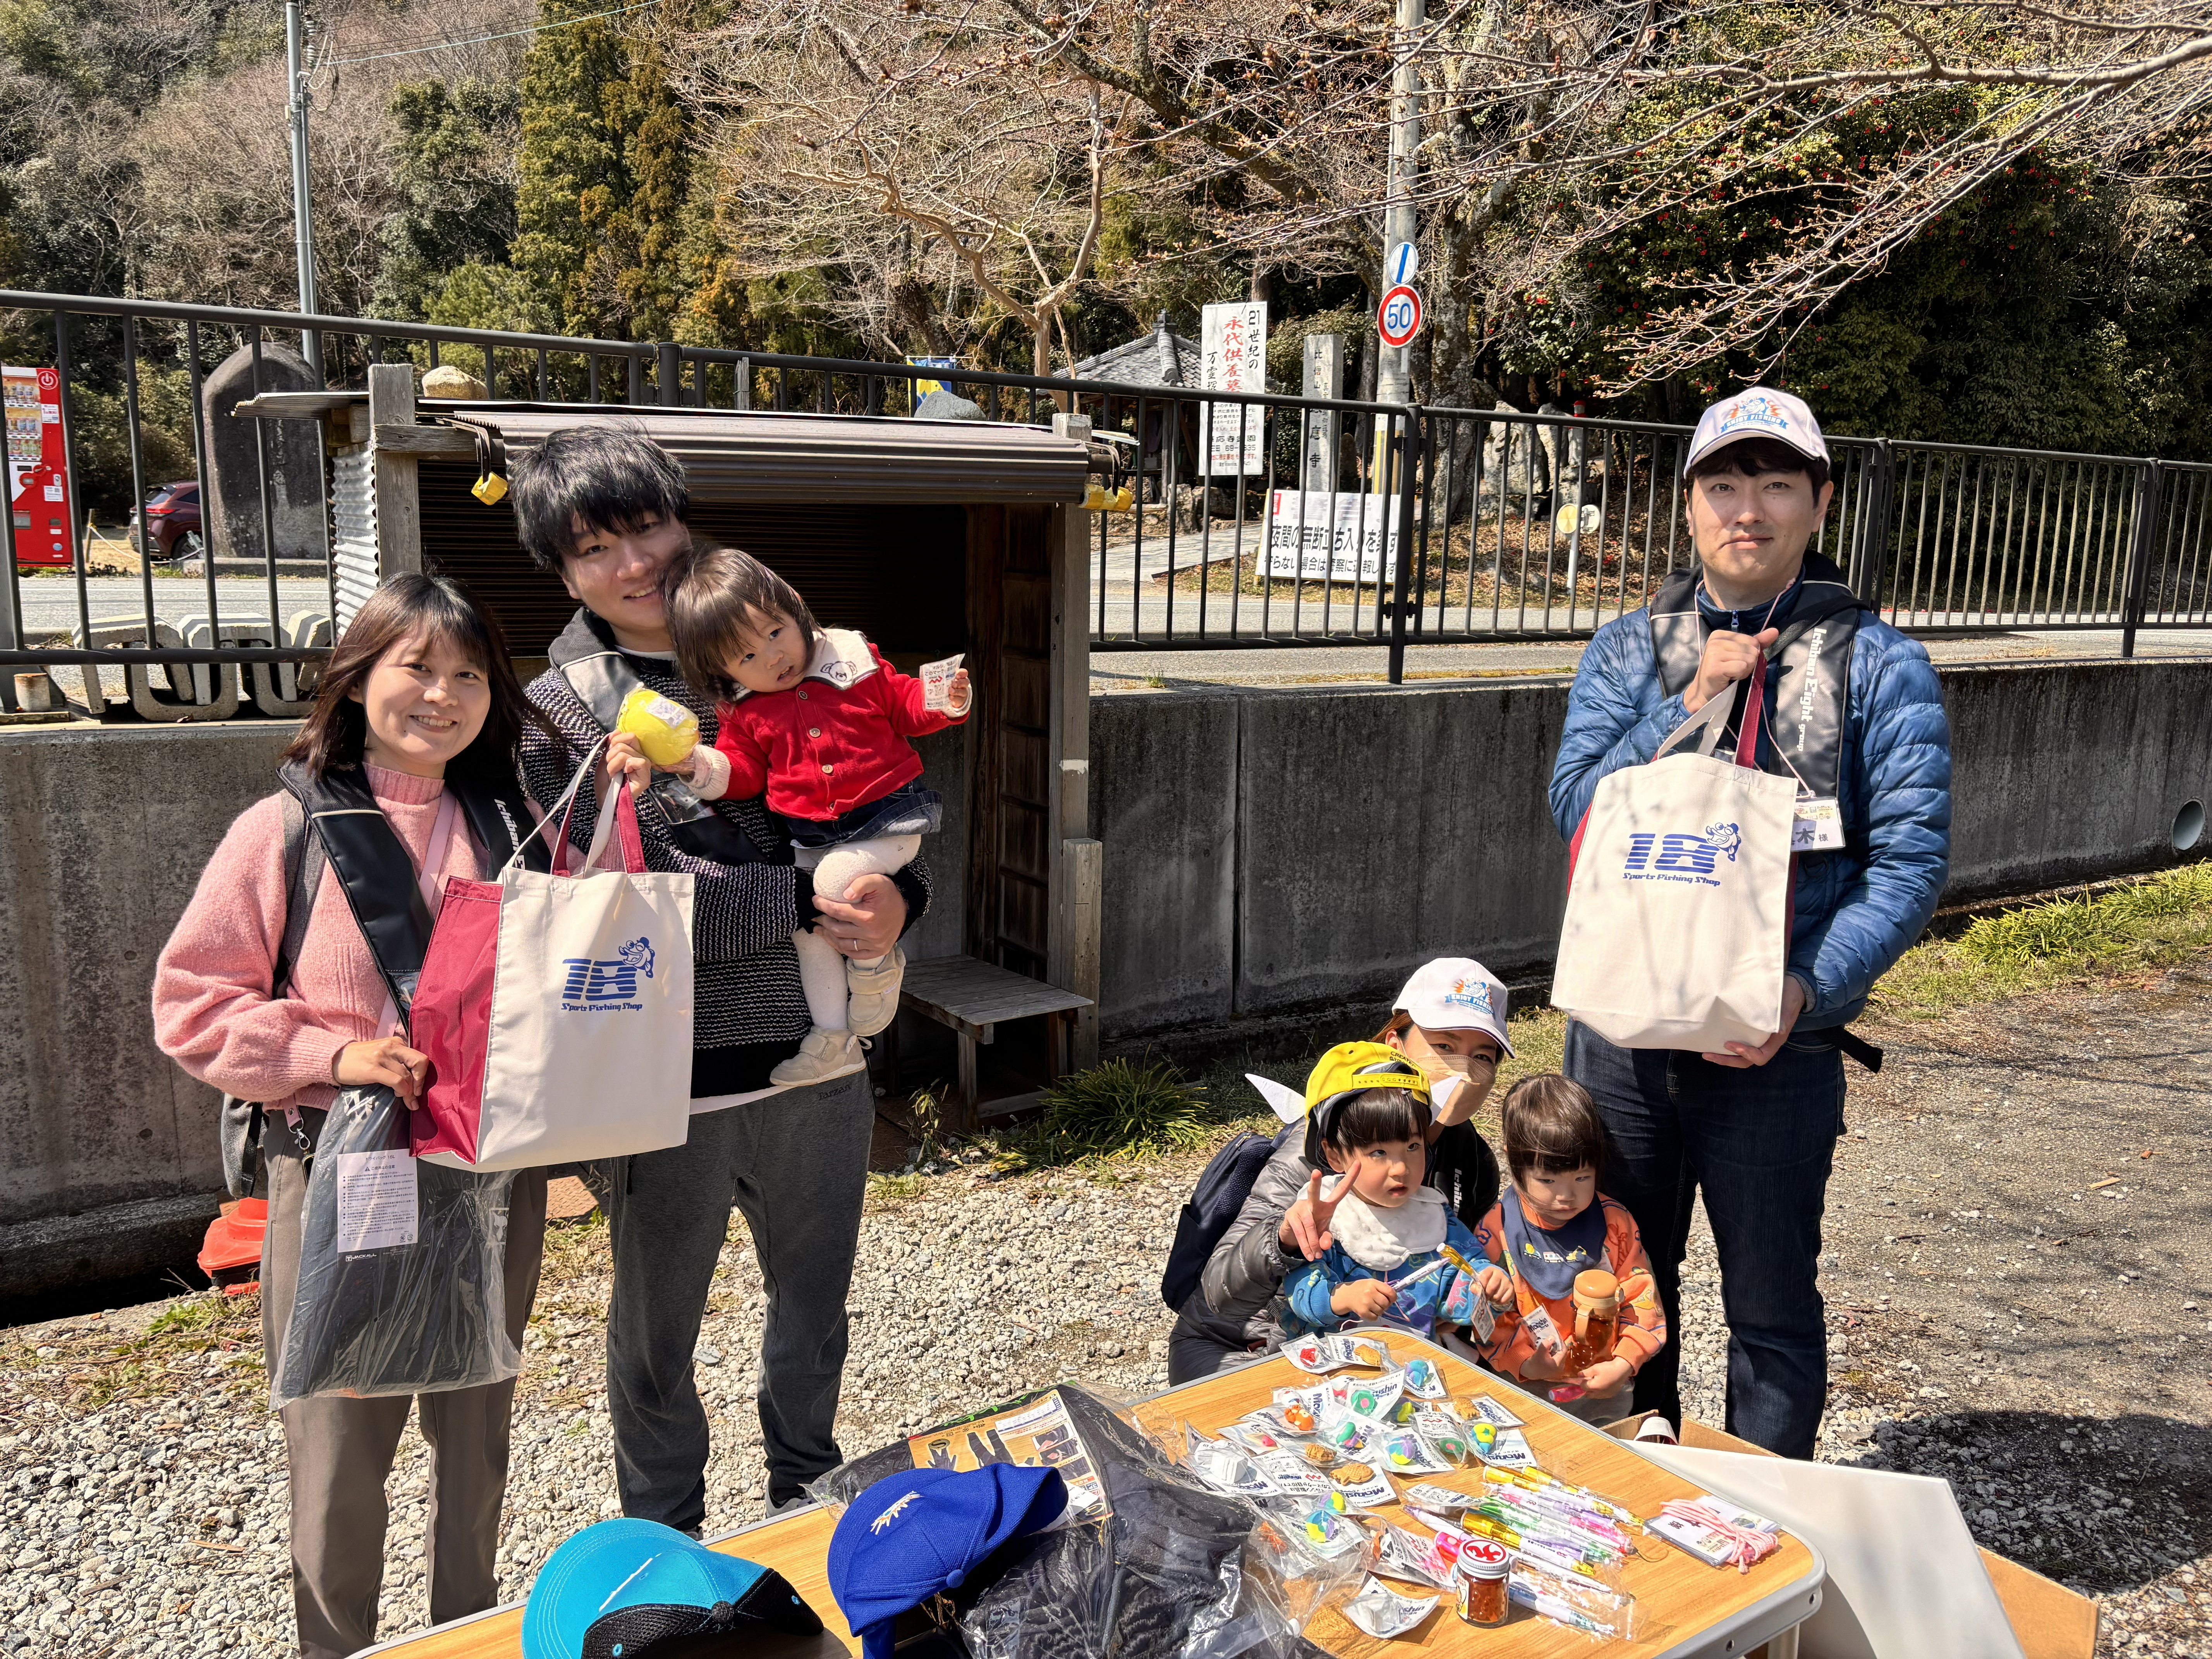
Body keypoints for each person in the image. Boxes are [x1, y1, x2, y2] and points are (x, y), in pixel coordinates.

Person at [510, 425, 930, 1528]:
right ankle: (665, 1534)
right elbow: (616, 906)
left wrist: (899, 900)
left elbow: (869, 804)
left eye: (646, 523)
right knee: (657, 1330)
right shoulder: (563, 707)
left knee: (815, 1305)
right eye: (595, 545)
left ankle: (806, 1501)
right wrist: (797, 902)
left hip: (815, 1060)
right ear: (560, 569)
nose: (635, 560)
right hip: (664, 1082)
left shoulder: (782, 642)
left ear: (680, 515)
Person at [153, 575, 553, 1659]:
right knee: (338, 1449)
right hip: (336, 1168)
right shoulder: (281, 830)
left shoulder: (512, 824)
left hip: (487, 1173)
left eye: (468, 672)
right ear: (359, 677)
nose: (444, 693)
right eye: (417, 665)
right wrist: (332, 1052)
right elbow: (191, 1004)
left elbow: (586, 964)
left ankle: (464, 1640)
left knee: (476, 1435)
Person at [1548, 386, 1951, 1456]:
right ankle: (1642, 1501)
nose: (1749, 508)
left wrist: (1804, 985)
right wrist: (1681, 705)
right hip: (1624, 1038)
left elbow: (1908, 862)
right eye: (1724, 484)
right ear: (1688, 506)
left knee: (1771, 1307)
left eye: (1778, 483)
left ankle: (1765, 1534)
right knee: (1624, 1283)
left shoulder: (1879, 662)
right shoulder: (1632, 649)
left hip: (1778, 1041)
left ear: (1819, 502)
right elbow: (1575, 810)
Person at [626, 541, 971, 1085]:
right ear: (719, 671)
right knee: (810, 929)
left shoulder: (850, 661)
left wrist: (944, 701)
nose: (773, 657)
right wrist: (694, 764)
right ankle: (832, 1038)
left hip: (889, 819)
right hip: (812, 833)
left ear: (795, 607)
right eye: (746, 657)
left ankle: (875, 968)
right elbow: (743, 775)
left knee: (833, 883)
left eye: (774, 631)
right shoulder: (744, 708)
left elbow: (905, 703)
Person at [1165, 957, 1513, 1382]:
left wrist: (1473, 1295)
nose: (1464, 1069)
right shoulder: (1319, 1144)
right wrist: (1284, 1240)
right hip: (1249, 1343)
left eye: (1483, 1057)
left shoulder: (1471, 1161)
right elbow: (1216, 1296)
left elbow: (1457, 1267)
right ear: (1396, 1047)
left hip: (1378, 1347)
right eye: (1444, 1047)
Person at [1469, 1075, 1667, 1425]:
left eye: (1582, 1177)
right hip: (1522, 1387)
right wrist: (1526, 1362)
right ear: (1514, 1163)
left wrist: (1623, 1364)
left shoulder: (1614, 1225)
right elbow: (1486, 1317)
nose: (1566, 1196)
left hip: (1602, 1387)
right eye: (1547, 1180)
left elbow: (1642, 1299)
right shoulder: (1497, 1231)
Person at [1279, 1045, 1485, 1341]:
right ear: (1335, 1155)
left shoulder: (1435, 1215)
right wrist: (1343, 1298)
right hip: (1335, 1373)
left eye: (1413, 1147)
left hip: (1413, 1369)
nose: (1400, 1168)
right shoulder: (1324, 1214)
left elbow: (1456, 1287)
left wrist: (1484, 1283)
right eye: (1379, 1152)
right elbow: (1299, 1295)